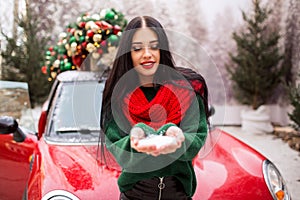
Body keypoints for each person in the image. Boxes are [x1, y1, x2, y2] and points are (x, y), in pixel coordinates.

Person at [100, 16, 209, 200]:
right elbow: (119, 150)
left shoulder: (186, 90)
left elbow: (197, 136)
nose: (147, 54)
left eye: (154, 46)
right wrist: (139, 138)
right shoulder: (118, 97)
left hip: (178, 193)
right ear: (128, 53)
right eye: (137, 48)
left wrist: (176, 137)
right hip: (135, 194)